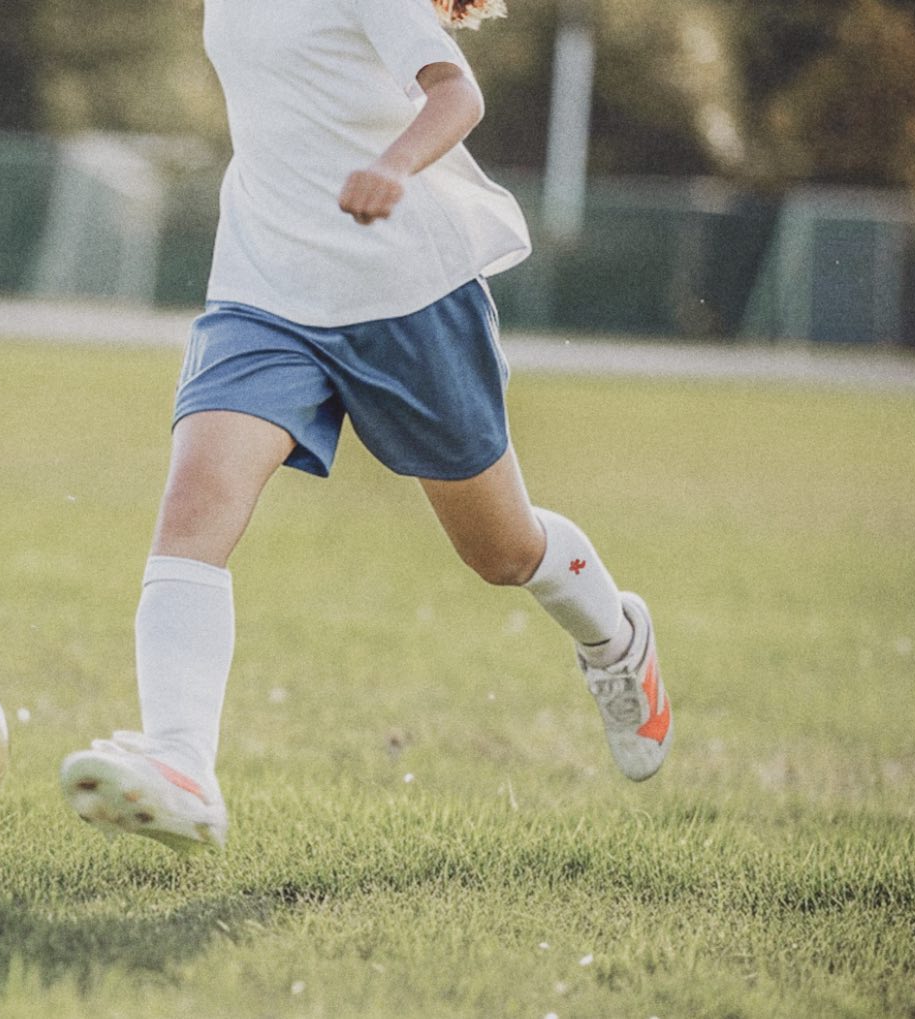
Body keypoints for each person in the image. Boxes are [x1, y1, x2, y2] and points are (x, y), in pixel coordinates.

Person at [60, 0, 673, 851]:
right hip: (263, 289)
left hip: (407, 296)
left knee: (502, 551)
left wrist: (393, 165)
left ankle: (616, 638)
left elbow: (457, 96)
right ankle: (181, 766)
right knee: (195, 503)